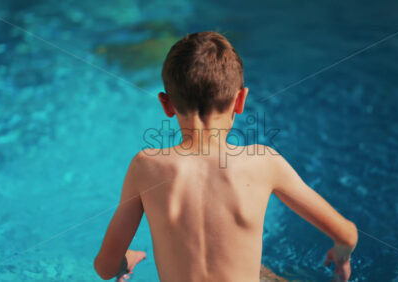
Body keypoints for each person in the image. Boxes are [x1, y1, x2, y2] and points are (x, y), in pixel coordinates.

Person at [94, 31, 358, 282]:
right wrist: (342, 253)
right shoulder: (264, 163)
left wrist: (127, 259)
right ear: (241, 100)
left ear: (166, 104)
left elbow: (105, 268)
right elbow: (347, 234)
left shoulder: (145, 167)